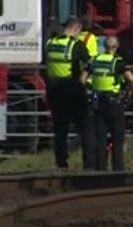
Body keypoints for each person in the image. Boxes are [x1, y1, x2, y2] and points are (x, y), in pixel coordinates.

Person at [45, 17, 95, 169]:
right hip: (73, 90)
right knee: (86, 127)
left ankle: (61, 163)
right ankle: (89, 164)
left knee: (60, 129)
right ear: (77, 29)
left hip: (54, 91)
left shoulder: (50, 43)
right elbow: (91, 64)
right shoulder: (76, 45)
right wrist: (83, 79)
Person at [81, 35, 133, 171]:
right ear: (116, 47)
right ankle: (118, 169)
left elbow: (82, 80)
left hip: (98, 103)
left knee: (101, 139)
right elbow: (132, 80)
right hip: (114, 103)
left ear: (104, 47)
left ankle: (101, 169)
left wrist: (91, 88)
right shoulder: (118, 62)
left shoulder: (94, 60)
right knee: (117, 139)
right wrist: (127, 91)